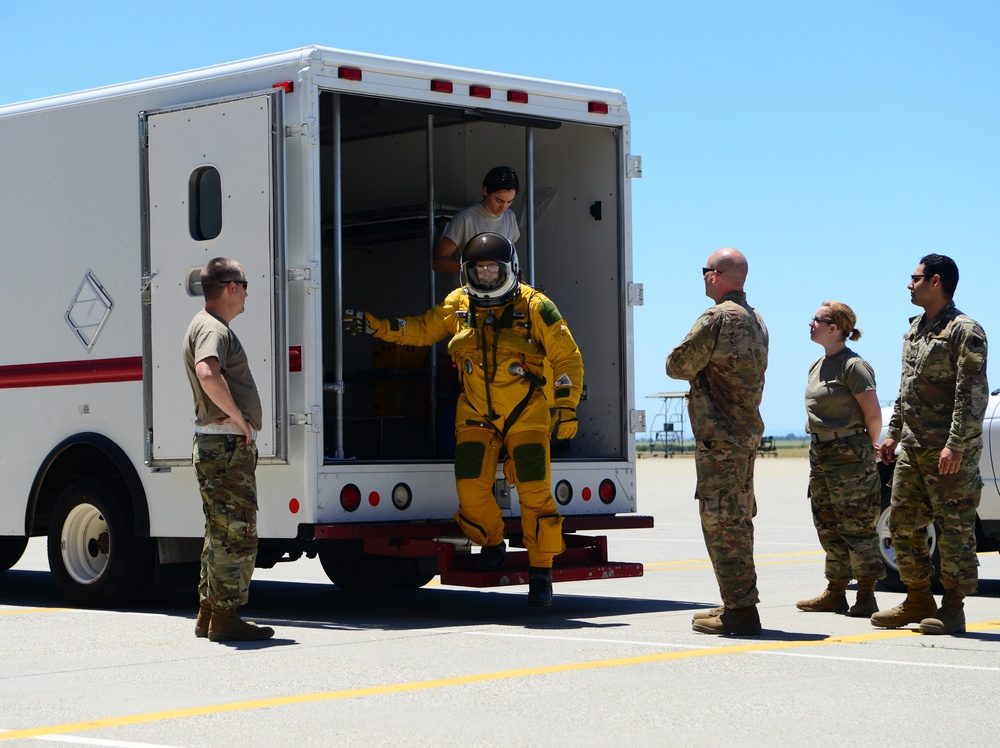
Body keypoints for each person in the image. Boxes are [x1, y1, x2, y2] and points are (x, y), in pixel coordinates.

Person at [345, 232, 583, 605]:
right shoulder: (459, 304)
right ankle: (490, 542)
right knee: (470, 488)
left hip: (527, 413)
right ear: (467, 272)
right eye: (479, 270)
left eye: (493, 270)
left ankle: (541, 571)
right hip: (475, 412)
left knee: (535, 493)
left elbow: (567, 357)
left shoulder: (536, 306)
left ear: (510, 269)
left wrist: (566, 406)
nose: (486, 277)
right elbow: (423, 329)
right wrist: (379, 326)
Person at [873, 254, 988, 635]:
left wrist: (956, 444)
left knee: (954, 531)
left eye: (915, 278)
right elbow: (906, 391)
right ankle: (917, 599)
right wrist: (892, 432)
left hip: (948, 453)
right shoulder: (915, 330)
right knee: (902, 526)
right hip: (913, 448)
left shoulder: (964, 330)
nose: (909, 284)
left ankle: (953, 608)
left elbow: (970, 392)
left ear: (935, 281)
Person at [666, 248, 768, 636]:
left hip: (719, 439)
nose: (704, 277)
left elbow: (678, 365)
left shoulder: (717, 318)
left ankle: (741, 610)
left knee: (721, 522)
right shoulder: (756, 319)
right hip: (742, 436)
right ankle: (737, 601)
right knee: (738, 519)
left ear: (717, 275)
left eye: (706, 271)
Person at [182, 258, 274, 642]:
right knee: (237, 531)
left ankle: (209, 614)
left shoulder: (208, 326)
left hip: (218, 446)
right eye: (245, 284)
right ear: (230, 287)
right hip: (225, 446)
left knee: (219, 530)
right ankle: (225, 617)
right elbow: (207, 372)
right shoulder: (211, 328)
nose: (248, 293)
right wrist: (237, 418)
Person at [797, 301, 886, 617]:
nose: (810, 323)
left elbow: (873, 415)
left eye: (816, 319)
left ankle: (866, 596)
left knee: (857, 526)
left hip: (849, 455)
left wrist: (866, 448)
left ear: (834, 328)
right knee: (828, 525)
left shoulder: (854, 366)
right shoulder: (817, 365)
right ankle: (836, 592)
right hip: (821, 454)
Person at [433, 166, 520, 275]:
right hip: (471, 290)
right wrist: (471, 267)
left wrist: (527, 288)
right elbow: (438, 263)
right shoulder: (465, 218)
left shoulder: (510, 216)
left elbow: (513, 264)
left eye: (509, 202)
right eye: (499, 201)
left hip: (505, 290)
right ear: (485, 190)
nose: (503, 208)